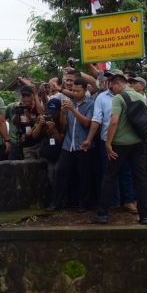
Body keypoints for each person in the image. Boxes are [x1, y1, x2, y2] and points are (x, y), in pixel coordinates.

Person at [92, 69, 147, 225]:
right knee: (141, 179)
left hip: (119, 145)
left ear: (118, 83)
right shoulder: (141, 96)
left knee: (110, 177)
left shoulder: (118, 98)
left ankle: (102, 214)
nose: (112, 89)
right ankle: (145, 216)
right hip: (139, 144)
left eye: (112, 86)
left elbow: (114, 121)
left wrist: (108, 143)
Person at [82, 70, 137, 213]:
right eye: (107, 79)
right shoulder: (101, 97)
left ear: (119, 81)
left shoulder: (129, 95)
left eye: (112, 79)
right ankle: (113, 202)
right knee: (108, 173)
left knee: (126, 171)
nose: (109, 82)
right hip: (106, 141)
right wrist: (88, 139)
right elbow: (96, 120)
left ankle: (129, 201)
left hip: (125, 142)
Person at [57, 78, 93, 211]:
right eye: (73, 90)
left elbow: (87, 123)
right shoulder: (69, 103)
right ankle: (59, 202)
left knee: (83, 176)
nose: (75, 93)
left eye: (78, 91)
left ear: (85, 90)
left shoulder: (90, 104)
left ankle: (83, 204)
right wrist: (62, 113)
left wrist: (73, 110)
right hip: (68, 145)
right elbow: (63, 126)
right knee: (61, 172)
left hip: (83, 145)